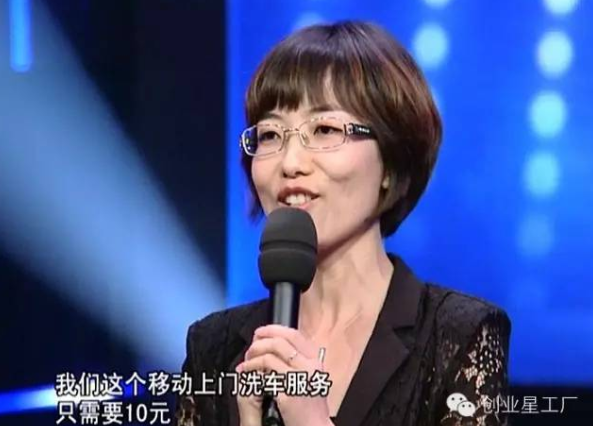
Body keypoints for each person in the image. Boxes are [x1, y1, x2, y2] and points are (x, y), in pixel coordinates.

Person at [175, 20, 511, 426]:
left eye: (324, 129)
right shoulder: (214, 347)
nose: (291, 163)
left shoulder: (457, 334)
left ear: (391, 162)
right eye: (270, 135)